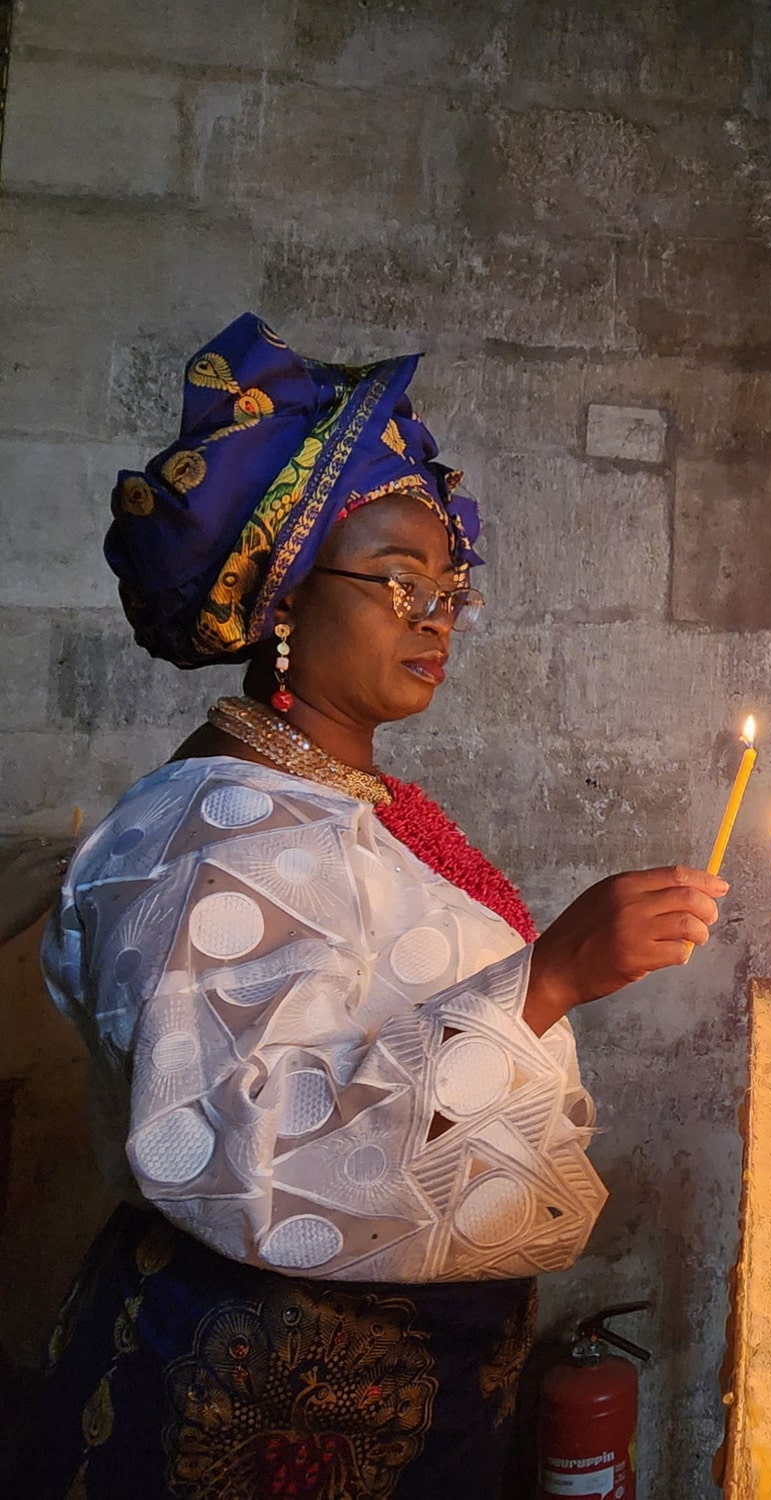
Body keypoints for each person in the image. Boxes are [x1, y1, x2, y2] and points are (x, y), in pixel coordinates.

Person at [7, 313, 726, 1499]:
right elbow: (252, 1150)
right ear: (284, 597)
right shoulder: (207, 842)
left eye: (450, 587)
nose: (436, 614)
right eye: (398, 579)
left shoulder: (346, 801)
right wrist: (547, 981)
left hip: (401, 1387)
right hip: (256, 1403)